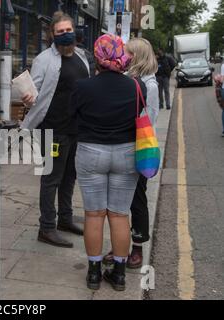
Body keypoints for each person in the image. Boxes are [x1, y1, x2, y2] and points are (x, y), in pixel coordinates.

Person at [71, 34, 146, 291]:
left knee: (94, 214)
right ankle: (120, 275)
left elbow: (72, 120)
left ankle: (93, 274)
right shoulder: (137, 87)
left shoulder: (83, 87)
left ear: (97, 57)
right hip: (126, 154)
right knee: (119, 214)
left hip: (91, 152)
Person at [21, 11, 89, 248]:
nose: (65, 34)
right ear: (52, 34)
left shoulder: (81, 56)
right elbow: (34, 90)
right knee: (51, 179)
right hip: (52, 130)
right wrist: (28, 98)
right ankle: (47, 227)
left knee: (70, 177)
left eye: (68, 30)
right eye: (59, 31)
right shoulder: (44, 59)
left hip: (75, 129)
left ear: (74, 31)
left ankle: (65, 219)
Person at [102, 38, 159, 269]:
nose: (123, 57)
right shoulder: (128, 80)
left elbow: (150, 121)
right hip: (122, 147)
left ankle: (137, 248)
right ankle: (120, 247)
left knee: (137, 200)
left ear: (137, 57)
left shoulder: (150, 85)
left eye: (128, 53)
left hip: (138, 149)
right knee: (118, 203)